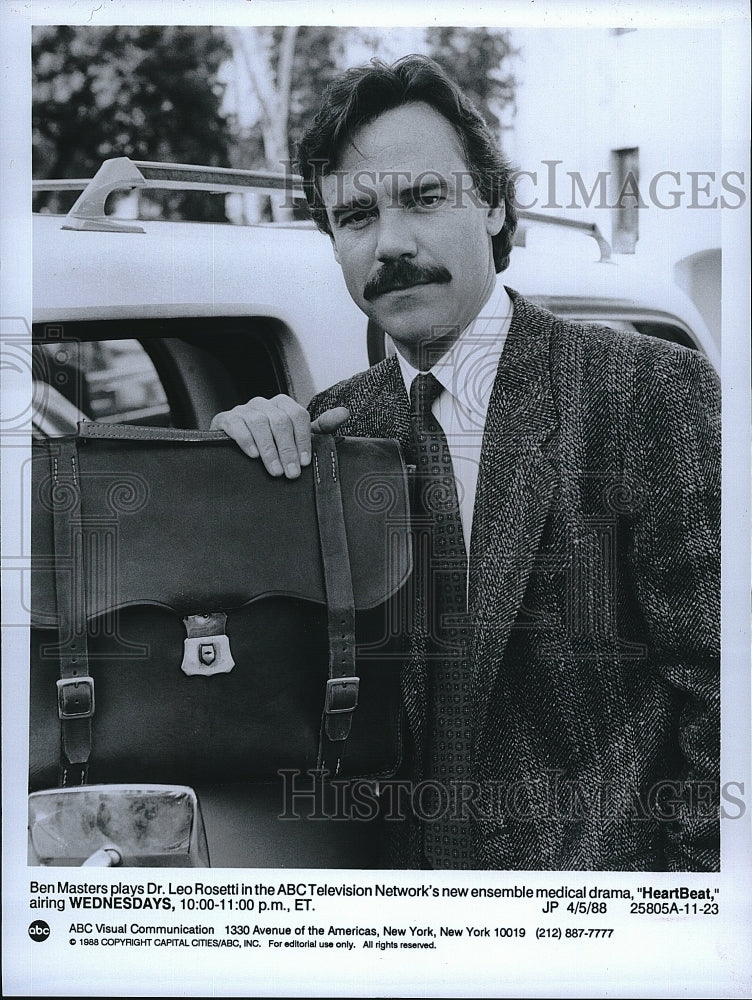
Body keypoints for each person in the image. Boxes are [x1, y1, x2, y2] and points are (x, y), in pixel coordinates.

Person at [211, 55, 720, 871]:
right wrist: (230, 467)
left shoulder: (645, 392)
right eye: (355, 216)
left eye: (423, 198)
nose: (393, 245)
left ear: (492, 204)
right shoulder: (327, 433)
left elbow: (726, 691)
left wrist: (680, 927)